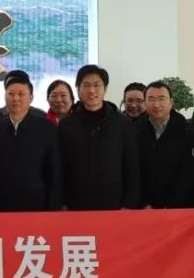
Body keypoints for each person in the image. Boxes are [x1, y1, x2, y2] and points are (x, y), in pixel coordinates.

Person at [58, 65, 140, 210]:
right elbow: (60, 167)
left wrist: (129, 204)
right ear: (78, 89)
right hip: (76, 204)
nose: (91, 90)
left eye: (97, 85)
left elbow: (132, 167)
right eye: (86, 85)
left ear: (105, 88)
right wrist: (62, 203)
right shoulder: (66, 125)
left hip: (114, 205)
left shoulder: (123, 124)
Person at [0, 75, 63, 211]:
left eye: (21, 94)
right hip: (2, 204)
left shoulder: (46, 127)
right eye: (11, 94)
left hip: (37, 204)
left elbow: (54, 169)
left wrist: (54, 205)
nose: (15, 98)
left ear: (31, 98)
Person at [137, 81, 194, 208]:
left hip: (177, 207)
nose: (156, 104)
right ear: (144, 102)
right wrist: (144, 203)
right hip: (144, 208)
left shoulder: (188, 132)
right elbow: (133, 171)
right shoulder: (135, 131)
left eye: (162, 99)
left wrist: (170, 205)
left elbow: (189, 174)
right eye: (151, 99)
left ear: (171, 102)